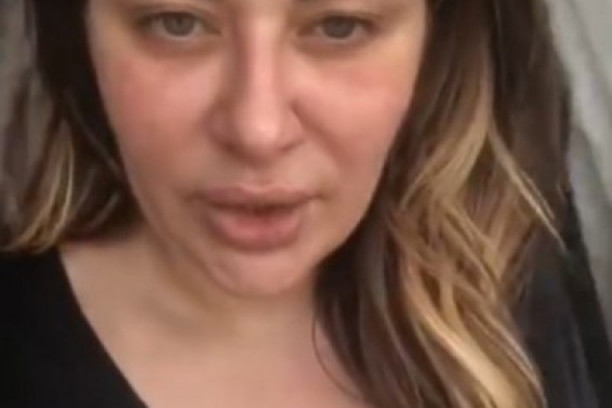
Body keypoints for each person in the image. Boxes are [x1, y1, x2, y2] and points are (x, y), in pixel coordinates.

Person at [0, 1, 609, 408]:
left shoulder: (505, 282)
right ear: (79, 33)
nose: (257, 130)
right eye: (176, 22)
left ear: (436, 43)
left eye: (339, 26)